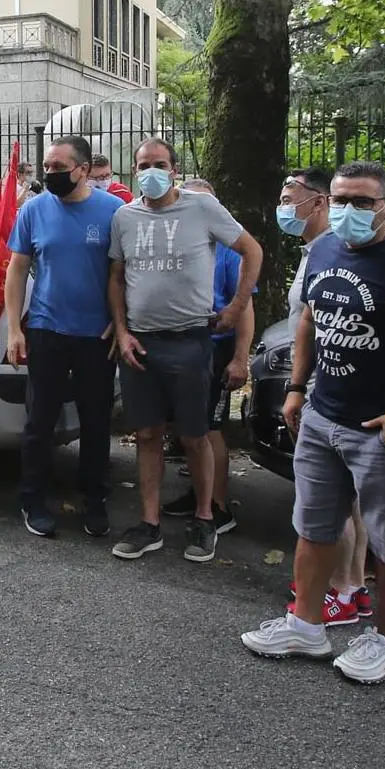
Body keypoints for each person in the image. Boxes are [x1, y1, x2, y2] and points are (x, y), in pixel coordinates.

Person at [241, 161, 385, 685]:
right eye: (340, 200)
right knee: (314, 527)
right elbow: (310, 320)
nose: (348, 211)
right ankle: (306, 624)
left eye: (362, 202)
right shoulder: (323, 249)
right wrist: (298, 389)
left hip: (383, 429)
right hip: (323, 416)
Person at [107, 138, 261, 565]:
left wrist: (236, 305)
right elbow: (117, 278)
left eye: (158, 164)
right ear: (134, 170)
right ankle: (150, 523)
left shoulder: (201, 208)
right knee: (147, 435)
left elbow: (252, 250)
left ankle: (204, 517)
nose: (149, 172)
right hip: (141, 343)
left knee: (195, 436)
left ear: (173, 169)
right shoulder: (124, 216)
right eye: (142, 165)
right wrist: (122, 332)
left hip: (191, 340)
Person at [4, 134, 123, 539]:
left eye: (59, 167)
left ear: (84, 170)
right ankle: (33, 499)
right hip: (46, 331)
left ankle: (94, 500)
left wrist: (120, 322)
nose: (50, 173)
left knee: (95, 423)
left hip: (97, 336)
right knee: (40, 422)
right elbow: (17, 269)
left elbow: (122, 274)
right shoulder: (34, 211)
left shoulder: (114, 211)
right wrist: (15, 329)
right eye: (47, 166)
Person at [275, 167, 374, 626]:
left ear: (318, 202)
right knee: (344, 498)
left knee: (335, 498)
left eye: (290, 195)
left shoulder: (342, 253)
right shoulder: (317, 250)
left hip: (333, 391)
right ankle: (351, 586)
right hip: (316, 391)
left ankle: (342, 589)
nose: (283, 204)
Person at [161, 178, 251, 536]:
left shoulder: (229, 249)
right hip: (178, 345)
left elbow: (244, 306)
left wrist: (240, 358)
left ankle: (217, 507)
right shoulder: (173, 241)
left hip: (216, 348)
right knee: (186, 427)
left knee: (209, 429)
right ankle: (198, 493)